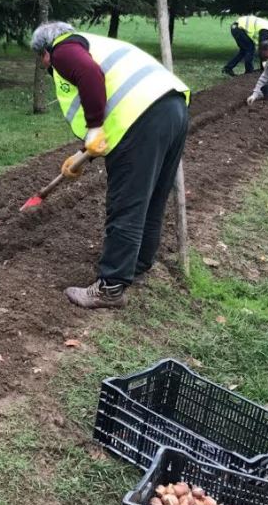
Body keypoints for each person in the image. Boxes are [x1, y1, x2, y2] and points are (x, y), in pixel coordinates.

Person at [30, 21, 191, 310]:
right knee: (152, 198)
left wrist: (93, 128)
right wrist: (84, 155)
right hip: (172, 110)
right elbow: (112, 105)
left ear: (44, 51)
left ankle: (111, 287)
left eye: (42, 60)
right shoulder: (94, 44)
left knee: (127, 203)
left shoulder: (62, 49)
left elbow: (91, 77)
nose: (46, 66)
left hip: (141, 120)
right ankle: (138, 266)